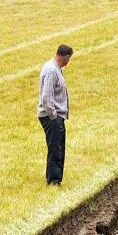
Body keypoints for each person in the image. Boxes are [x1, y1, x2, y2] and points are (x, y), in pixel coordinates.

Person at [38, 44, 73, 186]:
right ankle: (53, 180)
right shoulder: (52, 70)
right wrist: (53, 116)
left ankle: (56, 178)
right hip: (51, 116)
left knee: (58, 147)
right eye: (69, 59)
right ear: (66, 57)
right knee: (55, 148)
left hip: (55, 116)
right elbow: (46, 98)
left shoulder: (54, 68)